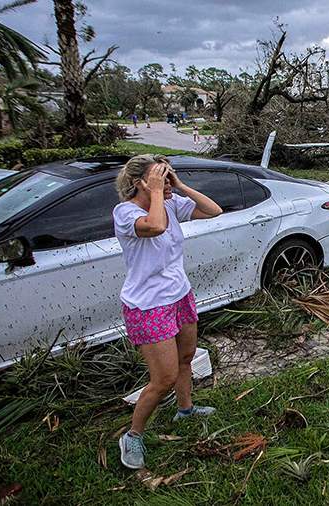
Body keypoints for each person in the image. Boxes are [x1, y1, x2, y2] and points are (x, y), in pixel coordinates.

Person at [113, 154, 224, 469]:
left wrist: (179, 185)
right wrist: (159, 193)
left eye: (166, 175)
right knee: (163, 378)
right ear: (140, 184)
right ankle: (133, 436)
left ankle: (185, 409)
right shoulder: (125, 212)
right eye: (158, 176)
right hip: (148, 305)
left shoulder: (171, 203)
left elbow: (213, 210)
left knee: (186, 359)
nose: (165, 180)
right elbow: (156, 226)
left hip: (179, 295)